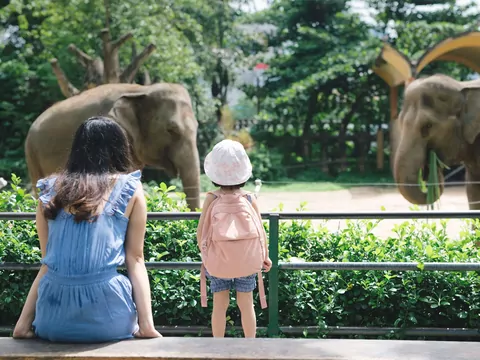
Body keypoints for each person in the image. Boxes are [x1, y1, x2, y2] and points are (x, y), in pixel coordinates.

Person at [12, 116, 161, 343]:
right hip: (108, 319)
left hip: (52, 319)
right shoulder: (129, 188)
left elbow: (48, 263)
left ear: (77, 149)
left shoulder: (49, 191)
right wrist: (147, 326)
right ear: (118, 148)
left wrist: (22, 325)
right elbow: (136, 259)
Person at [197, 139, 272, 338]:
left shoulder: (212, 198)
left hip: (218, 260)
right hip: (247, 260)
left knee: (220, 306)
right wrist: (265, 256)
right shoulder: (249, 198)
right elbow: (261, 231)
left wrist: (206, 256)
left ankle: (219, 348)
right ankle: (250, 348)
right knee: (246, 304)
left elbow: (201, 232)